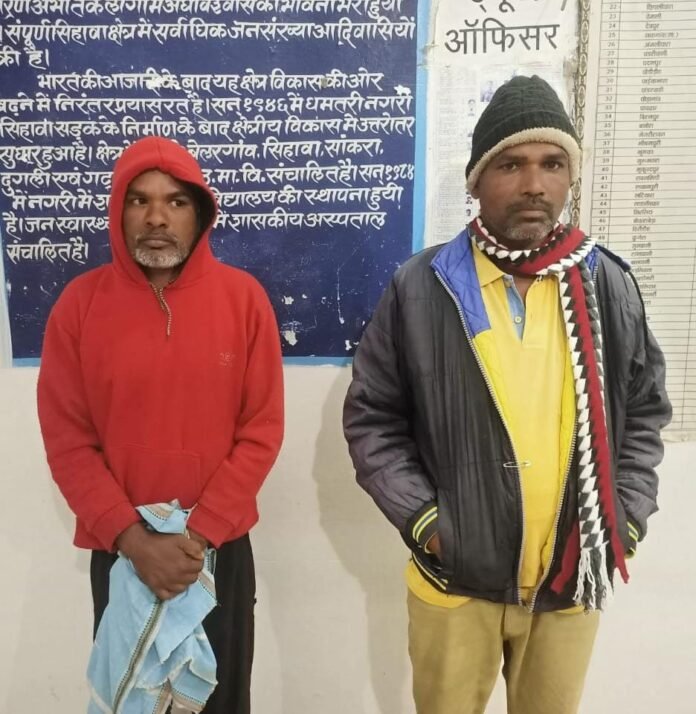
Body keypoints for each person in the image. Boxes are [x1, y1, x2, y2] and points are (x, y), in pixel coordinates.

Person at [343, 75, 671, 714]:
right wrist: (430, 526)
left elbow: (643, 416)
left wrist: (623, 520)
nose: (534, 184)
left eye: (552, 164)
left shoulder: (606, 285)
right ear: (476, 182)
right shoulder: (423, 288)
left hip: (572, 578)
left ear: (568, 178)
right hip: (455, 580)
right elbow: (373, 420)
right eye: (511, 164)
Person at [37, 136, 284, 714]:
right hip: (123, 554)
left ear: (200, 213)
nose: (156, 217)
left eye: (175, 201)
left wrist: (197, 536)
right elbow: (68, 440)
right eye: (139, 200)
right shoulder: (79, 305)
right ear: (117, 211)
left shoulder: (244, 300)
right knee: (132, 701)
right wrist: (134, 540)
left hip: (216, 553)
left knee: (220, 702)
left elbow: (262, 430)